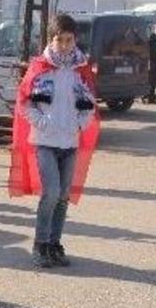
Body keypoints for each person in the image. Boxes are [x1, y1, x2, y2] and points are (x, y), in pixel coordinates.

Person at [9, 14, 100, 268]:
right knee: (50, 193)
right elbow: (25, 103)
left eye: (68, 40)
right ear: (51, 39)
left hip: (70, 143)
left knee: (63, 197)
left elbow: (89, 106)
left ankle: (54, 244)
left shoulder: (81, 70)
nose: (64, 45)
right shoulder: (39, 67)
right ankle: (40, 244)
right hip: (45, 141)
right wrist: (44, 122)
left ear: (75, 39)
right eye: (59, 40)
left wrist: (79, 124)